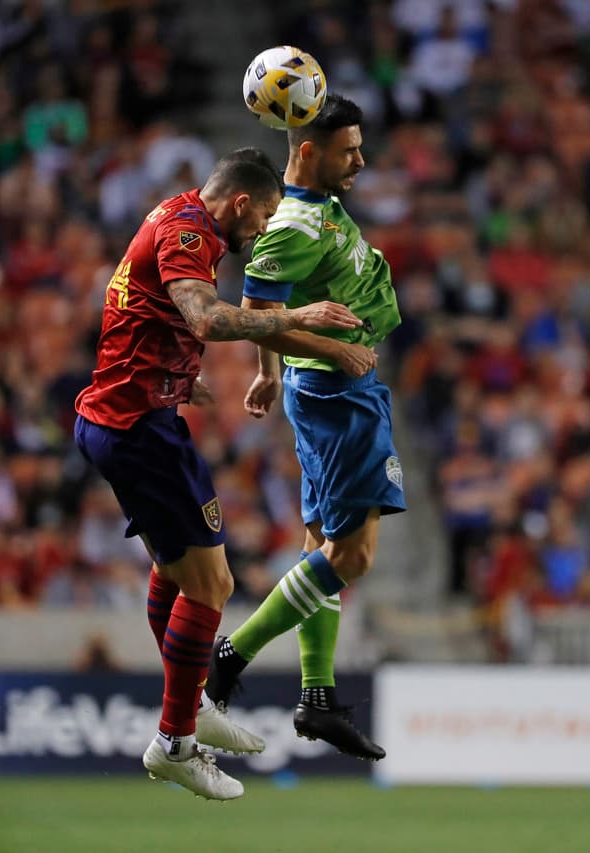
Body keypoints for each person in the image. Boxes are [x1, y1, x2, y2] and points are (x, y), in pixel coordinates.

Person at [73, 148, 362, 800]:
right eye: (262, 217)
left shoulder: (175, 215)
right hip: (137, 430)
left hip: (131, 416)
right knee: (214, 585)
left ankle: (190, 702)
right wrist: (295, 316)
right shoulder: (189, 234)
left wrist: (178, 376)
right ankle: (175, 740)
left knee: (179, 570)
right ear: (240, 202)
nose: (262, 230)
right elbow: (205, 316)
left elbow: (146, 313)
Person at [206, 95, 403, 761]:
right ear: (310, 151)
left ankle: (317, 697)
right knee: (352, 555)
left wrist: (270, 372)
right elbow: (254, 309)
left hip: (330, 387)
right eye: (349, 150)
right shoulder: (292, 225)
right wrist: (328, 352)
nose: (361, 161)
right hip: (338, 394)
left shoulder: (319, 205)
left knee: (322, 546)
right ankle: (232, 655)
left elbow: (270, 307)